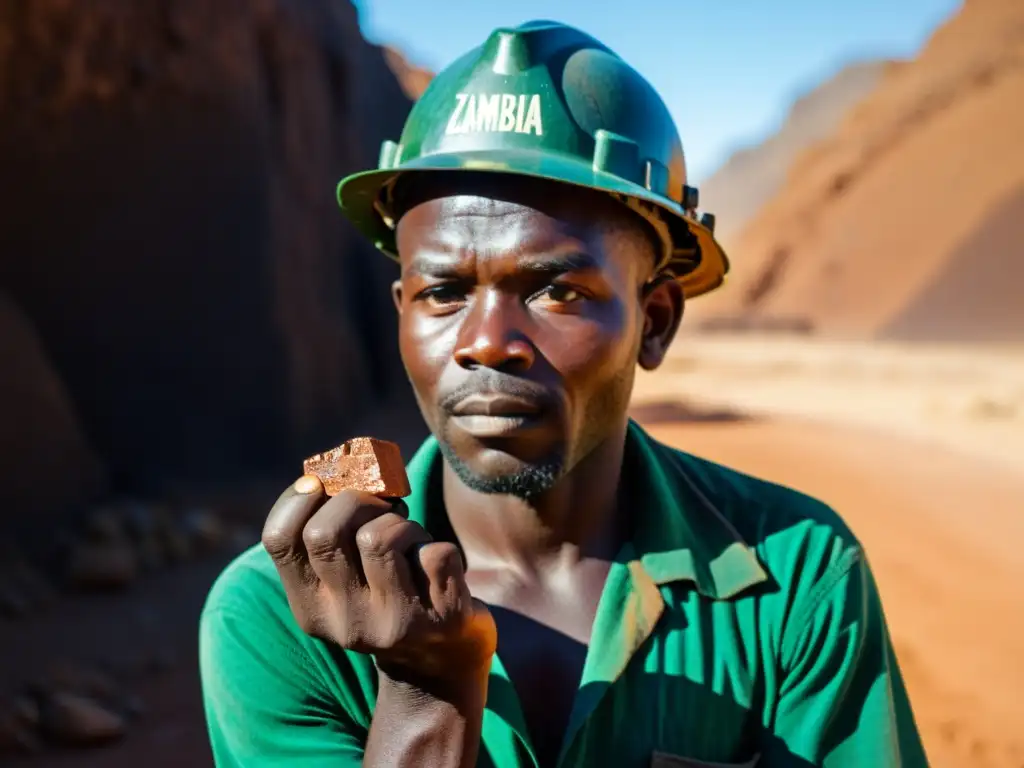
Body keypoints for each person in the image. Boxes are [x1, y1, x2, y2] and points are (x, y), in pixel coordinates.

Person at [199, 20, 929, 768]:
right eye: (444, 292)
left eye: (555, 290)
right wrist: (427, 695)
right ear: (400, 313)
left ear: (655, 321)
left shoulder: (797, 578)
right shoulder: (276, 613)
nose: (487, 341)